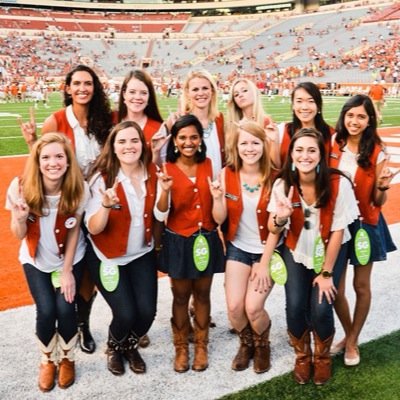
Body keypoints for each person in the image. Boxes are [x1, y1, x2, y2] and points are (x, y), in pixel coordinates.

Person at [19, 64, 114, 355]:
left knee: (90, 273)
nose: (83, 89)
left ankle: (82, 323)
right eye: (77, 84)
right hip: (66, 203)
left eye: (88, 83)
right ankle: (64, 324)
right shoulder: (56, 120)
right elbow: (43, 158)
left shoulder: (104, 119)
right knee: (66, 260)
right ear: (68, 88)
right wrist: (32, 141)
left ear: (94, 87)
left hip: (96, 200)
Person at [261, 128, 359, 385]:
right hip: (296, 248)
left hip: (329, 250)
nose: (305, 155)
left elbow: (338, 231)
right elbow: (274, 228)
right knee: (294, 305)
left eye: (312, 150)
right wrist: (281, 217)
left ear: (321, 154)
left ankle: (322, 357)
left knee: (321, 306)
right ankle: (303, 356)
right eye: (299, 150)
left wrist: (326, 273)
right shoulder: (283, 184)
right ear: (291, 154)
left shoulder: (339, 182)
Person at [6, 133, 88, 392]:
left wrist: (67, 271)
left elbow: (75, 229)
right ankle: (47, 359)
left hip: (70, 258)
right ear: (37, 161)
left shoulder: (78, 187)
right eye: (46, 157)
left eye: (59, 156)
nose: (53, 162)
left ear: (67, 160)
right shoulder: (20, 187)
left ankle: (67, 358)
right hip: (36, 259)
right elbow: (19, 234)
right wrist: (20, 218)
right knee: (46, 310)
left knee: (66, 309)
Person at [85, 121, 158, 376]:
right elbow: (93, 229)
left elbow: (160, 212)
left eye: (134, 140)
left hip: (141, 253)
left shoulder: (153, 172)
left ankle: (128, 345)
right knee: (125, 313)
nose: (129, 146)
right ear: (113, 148)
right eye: (122, 141)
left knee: (147, 314)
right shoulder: (101, 178)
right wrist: (105, 206)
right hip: (108, 256)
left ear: (142, 144)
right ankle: (114, 347)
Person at [330, 94, 397, 366]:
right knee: (335, 286)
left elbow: (379, 202)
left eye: (361, 116)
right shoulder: (334, 143)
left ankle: (353, 340)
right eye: (350, 115)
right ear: (344, 116)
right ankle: (349, 333)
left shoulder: (377, 151)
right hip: (335, 224)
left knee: (361, 285)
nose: (354, 121)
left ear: (369, 120)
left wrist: (382, 187)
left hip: (364, 224)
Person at [155, 114, 225, 373]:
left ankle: (202, 344)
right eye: (182, 137)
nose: (188, 142)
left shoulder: (209, 164)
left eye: (194, 136)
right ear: (174, 140)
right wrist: (164, 191)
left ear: (200, 139)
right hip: (178, 241)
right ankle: (181, 347)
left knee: (203, 295)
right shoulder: (167, 169)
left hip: (205, 239)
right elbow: (161, 214)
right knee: (181, 295)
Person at [209, 121, 274, 373]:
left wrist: (264, 263)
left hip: (267, 250)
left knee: (253, 307)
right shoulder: (227, 174)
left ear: (263, 145)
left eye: (255, 142)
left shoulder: (275, 176)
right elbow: (218, 219)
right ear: (236, 147)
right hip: (238, 248)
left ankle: (262, 344)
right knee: (235, 309)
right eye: (244, 143)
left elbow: (277, 227)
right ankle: (246, 342)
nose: (249, 148)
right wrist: (217, 199)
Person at [117, 69, 167, 347]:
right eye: (132, 91)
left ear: (150, 97)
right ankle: (87, 322)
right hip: (114, 202)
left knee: (142, 256)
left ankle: (138, 324)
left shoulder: (157, 126)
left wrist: (157, 153)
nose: (137, 97)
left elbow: (161, 169)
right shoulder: (111, 121)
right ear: (123, 94)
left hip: (146, 202)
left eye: (143, 92)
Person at [226, 77, 280, 168]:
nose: (240, 95)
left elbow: (276, 165)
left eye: (244, 90)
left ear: (254, 92)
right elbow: (231, 161)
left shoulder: (266, 122)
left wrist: (274, 142)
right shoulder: (232, 125)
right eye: (236, 94)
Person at [278, 81, 334, 166]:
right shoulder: (282, 131)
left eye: (311, 101)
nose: (304, 107)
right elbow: (274, 167)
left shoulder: (332, 135)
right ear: (293, 105)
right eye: (299, 101)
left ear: (318, 106)